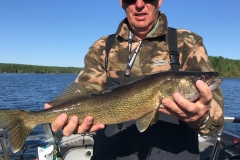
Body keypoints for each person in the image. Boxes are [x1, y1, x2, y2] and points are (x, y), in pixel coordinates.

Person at [45, 0, 224, 159]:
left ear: (159, 1)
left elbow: (216, 118)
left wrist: (203, 118)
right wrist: (67, 118)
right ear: (122, 2)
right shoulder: (102, 47)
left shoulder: (186, 42)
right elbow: (84, 92)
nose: (139, 4)